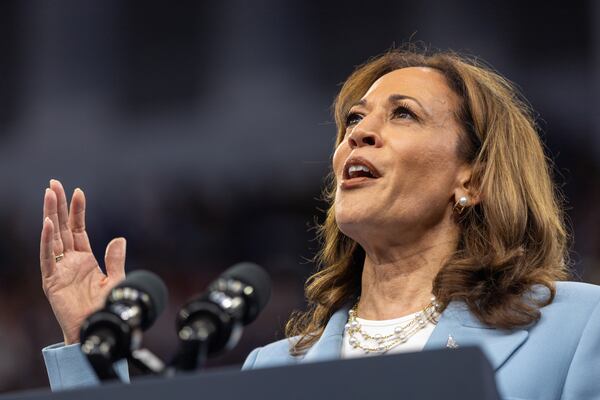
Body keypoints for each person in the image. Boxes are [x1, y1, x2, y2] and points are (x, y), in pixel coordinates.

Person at [41, 48, 600, 399]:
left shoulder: (576, 329)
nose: (357, 132)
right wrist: (92, 349)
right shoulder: (274, 366)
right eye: (354, 119)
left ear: (472, 180)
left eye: (403, 114)